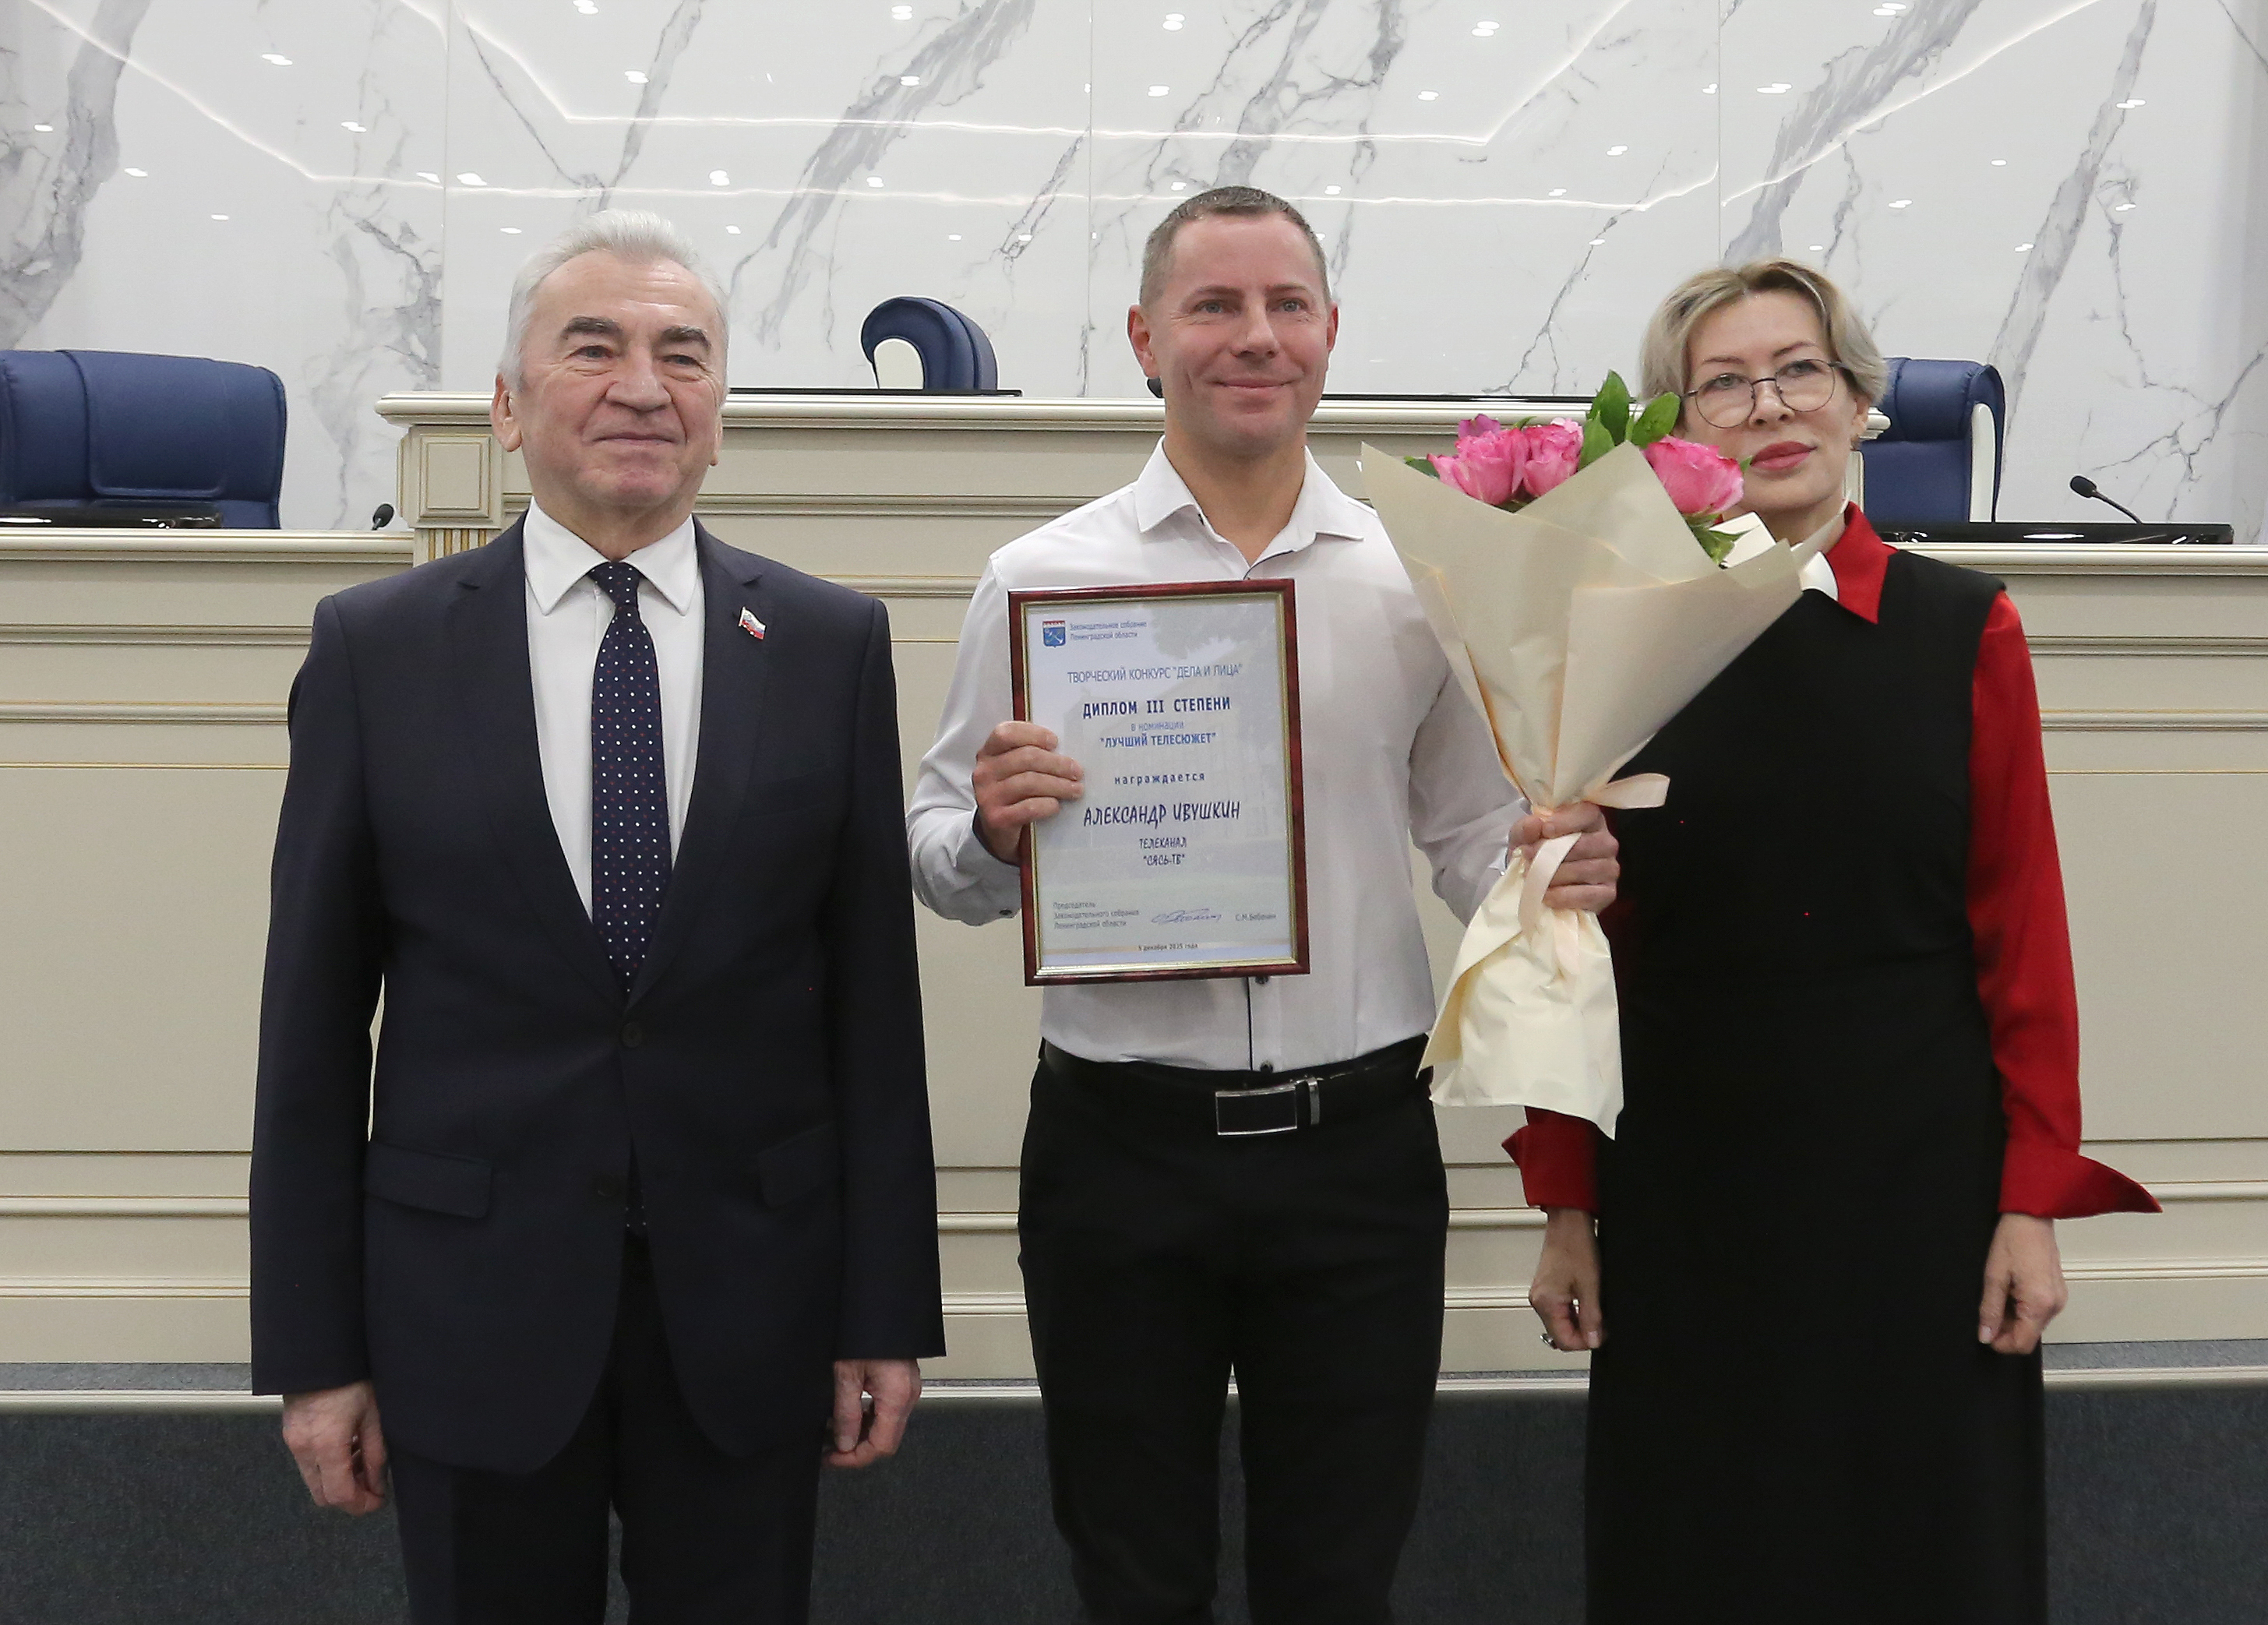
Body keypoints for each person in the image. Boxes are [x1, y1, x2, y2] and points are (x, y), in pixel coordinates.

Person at [908, 185, 1617, 1625]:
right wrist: (991, 829)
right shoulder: (1041, 577)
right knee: (1133, 1575)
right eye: (1215, 305)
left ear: (1331, 331)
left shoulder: (1419, 574)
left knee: (1339, 1577)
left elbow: (1463, 833)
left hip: (1354, 1153)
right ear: (1144, 335)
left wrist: (1544, 869)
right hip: (1119, 1151)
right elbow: (933, 851)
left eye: (1287, 305)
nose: (1256, 336)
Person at [249, 210, 944, 1625]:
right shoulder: (377, 650)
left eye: (683, 354)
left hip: (750, 1307)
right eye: (593, 348)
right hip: (468, 1311)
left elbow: (873, 1008)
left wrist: (884, 1311)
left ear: (719, 413)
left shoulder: (829, 645)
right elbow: (310, 1026)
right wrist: (315, 1352)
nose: (643, 386)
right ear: (509, 407)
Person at [1512, 259, 2159, 1623]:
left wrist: (2031, 1200)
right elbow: (1574, 951)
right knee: (1701, 1550)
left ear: (1860, 399)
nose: (1770, 405)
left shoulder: (1963, 628)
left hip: (1918, 1188)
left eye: (1799, 369)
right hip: (1687, 1185)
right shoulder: (1622, 638)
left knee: (1922, 1552)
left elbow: (2023, 935)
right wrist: (1567, 1199)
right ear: (1679, 432)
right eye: (1726, 384)